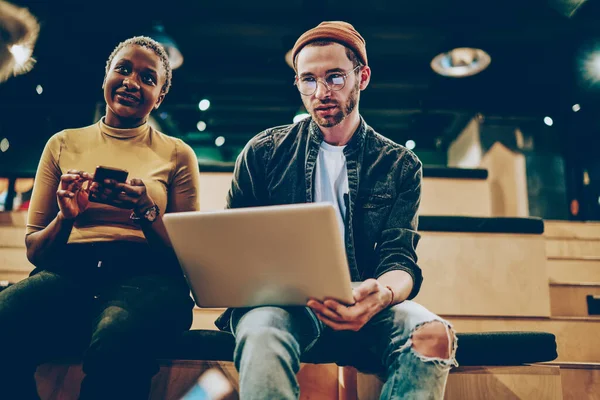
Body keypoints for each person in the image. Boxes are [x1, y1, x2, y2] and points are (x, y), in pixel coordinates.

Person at [216, 22, 458, 399]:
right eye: (308, 80)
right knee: (261, 330)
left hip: (364, 302)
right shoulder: (263, 152)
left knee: (432, 333)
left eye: (334, 78)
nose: (321, 92)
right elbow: (232, 247)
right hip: (283, 305)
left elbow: (400, 258)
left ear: (362, 77)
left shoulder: (399, 165)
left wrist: (383, 294)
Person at [0, 36, 200, 400]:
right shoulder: (61, 143)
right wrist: (65, 217)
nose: (131, 82)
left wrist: (146, 212)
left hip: (149, 277)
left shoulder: (177, 154)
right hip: (69, 271)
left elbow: (187, 257)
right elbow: (35, 251)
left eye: (147, 78)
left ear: (160, 96)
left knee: (116, 337)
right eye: (122, 69)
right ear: (106, 75)